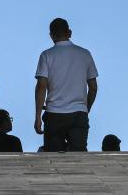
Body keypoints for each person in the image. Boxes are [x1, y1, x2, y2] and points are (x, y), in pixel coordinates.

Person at [34, 18, 98, 153]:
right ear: (70, 33)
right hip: (78, 113)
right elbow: (93, 87)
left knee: (54, 157)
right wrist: (86, 108)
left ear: (51, 35)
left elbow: (41, 87)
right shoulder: (84, 54)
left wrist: (38, 116)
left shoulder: (46, 55)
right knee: (78, 156)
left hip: (54, 114)